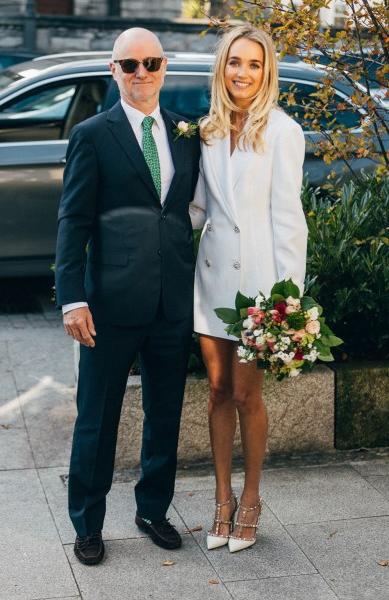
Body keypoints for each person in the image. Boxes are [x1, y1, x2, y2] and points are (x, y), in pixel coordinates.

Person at [55, 27, 200, 565]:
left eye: (152, 62)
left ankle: (152, 510)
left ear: (165, 68)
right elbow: (72, 221)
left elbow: (188, 211)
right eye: (130, 64)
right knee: (97, 417)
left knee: (165, 413)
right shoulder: (93, 135)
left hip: (171, 303)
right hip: (109, 305)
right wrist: (72, 298)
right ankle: (87, 523)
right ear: (113, 70)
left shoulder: (186, 134)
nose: (142, 72)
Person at [190, 24, 308, 553]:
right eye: (235, 62)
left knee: (245, 393)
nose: (243, 73)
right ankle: (222, 498)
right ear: (223, 67)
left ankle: (253, 498)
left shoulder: (283, 131)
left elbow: (289, 220)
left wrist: (291, 301)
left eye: (254, 64)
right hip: (212, 278)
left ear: (267, 72)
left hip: (260, 287)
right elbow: (196, 208)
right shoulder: (208, 129)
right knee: (216, 390)